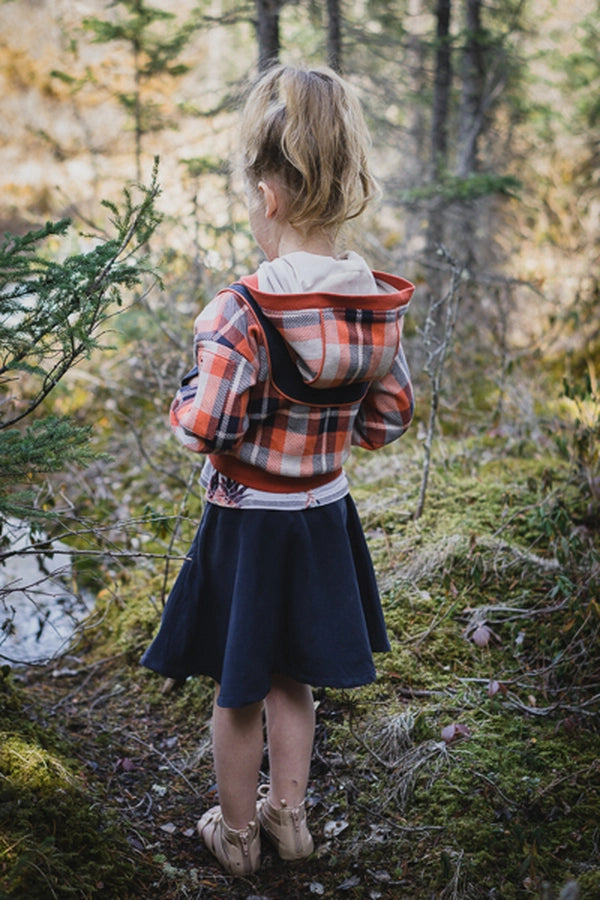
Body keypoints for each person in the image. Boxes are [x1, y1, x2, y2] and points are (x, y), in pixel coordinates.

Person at [141, 63, 414, 877]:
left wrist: (184, 400)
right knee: (294, 675)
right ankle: (289, 821)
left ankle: (236, 837)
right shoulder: (375, 305)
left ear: (268, 195)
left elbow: (206, 427)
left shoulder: (242, 310)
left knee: (239, 686)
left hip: (246, 526)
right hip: (324, 517)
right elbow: (387, 421)